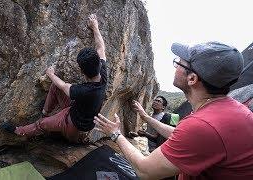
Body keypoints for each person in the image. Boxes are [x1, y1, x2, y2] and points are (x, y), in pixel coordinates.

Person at [94, 42, 253, 179]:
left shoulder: (204, 125)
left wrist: (115, 133)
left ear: (192, 79)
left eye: (179, 63)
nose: (176, 65)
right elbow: (183, 136)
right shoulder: (231, 110)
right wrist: (145, 116)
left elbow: (145, 171)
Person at [1, 14, 107, 143]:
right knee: (55, 86)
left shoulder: (85, 91)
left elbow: (64, 86)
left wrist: (50, 74)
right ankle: (46, 112)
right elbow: (101, 48)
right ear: (98, 63)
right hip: (78, 111)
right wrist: (95, 27)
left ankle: (19, 131)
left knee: (41, 124)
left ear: (82, 72)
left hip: (73, 125)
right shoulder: (102, 74)